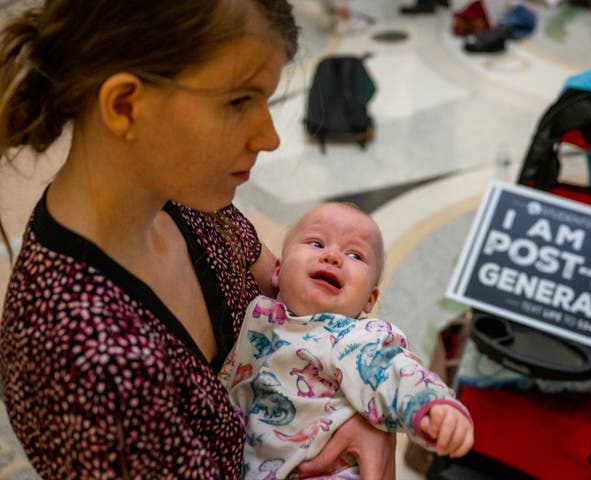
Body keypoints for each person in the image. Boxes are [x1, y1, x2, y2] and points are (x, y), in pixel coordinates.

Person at [0, 1, 397, 478]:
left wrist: (370, 410)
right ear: (126, 106)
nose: (269, 137)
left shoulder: (184, 196)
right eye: (238, 101)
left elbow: (306, 310)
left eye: (266, 102)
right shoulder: (93, 363)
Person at [221, 202, 474, 479]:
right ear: (278, 271)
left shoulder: (355, 337)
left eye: (355, 255)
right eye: (317, 243)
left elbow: (393, 370)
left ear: (370, 299)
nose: (332, 256)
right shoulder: (259, 316)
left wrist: (431, 404)